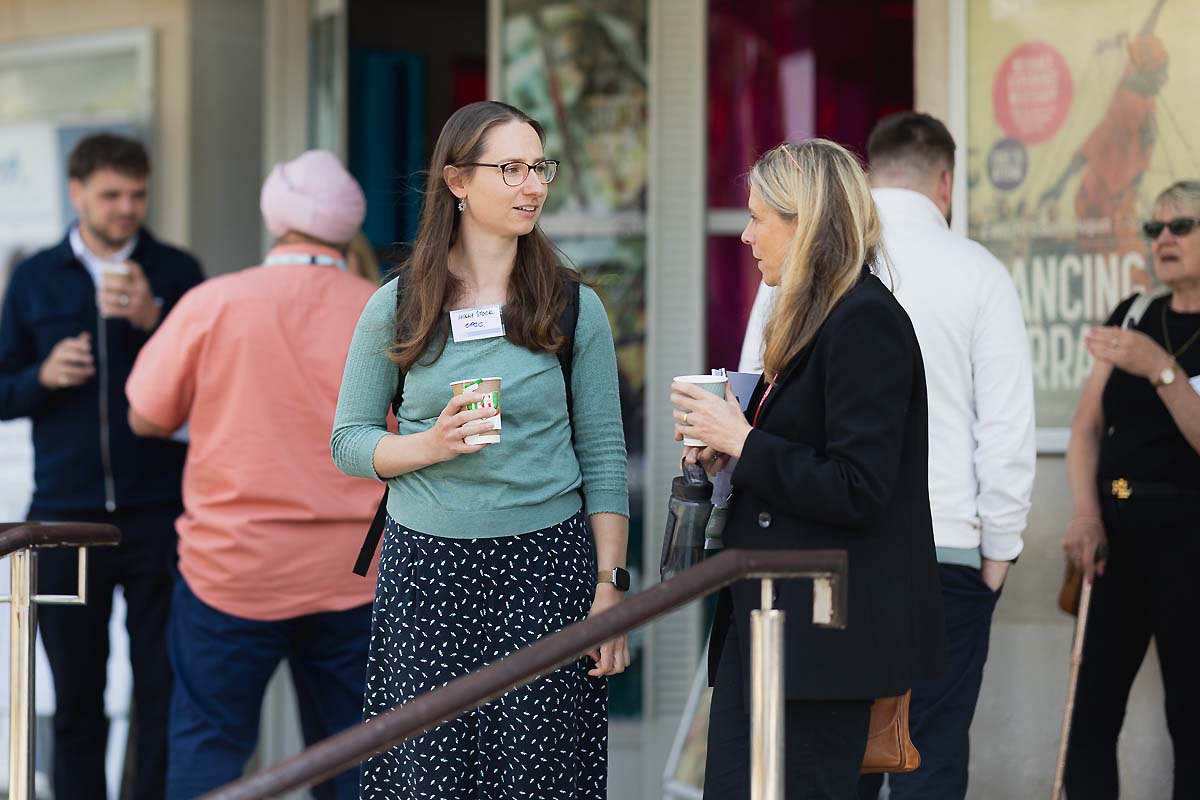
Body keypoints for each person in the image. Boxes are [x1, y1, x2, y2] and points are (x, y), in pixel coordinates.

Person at [331, 100, 630, 799]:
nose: (533, 185)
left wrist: (611, 587)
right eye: (511, 169)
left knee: (537, 778)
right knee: (428, 777)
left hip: (545, 571)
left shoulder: (573, 306)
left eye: (540, 167)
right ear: (458, 181)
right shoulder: (398, 303)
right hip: (427, 574)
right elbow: (349, 441)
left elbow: (604, 457)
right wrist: (428, 446)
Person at [674, 138, 947, 800]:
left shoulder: (864, 320)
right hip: (773, 629)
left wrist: (744, 441)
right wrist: (728, 452)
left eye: (758, 218)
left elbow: (860, 487)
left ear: (806, 223)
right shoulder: (812, 317)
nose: (745, 236)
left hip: (819, 641)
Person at [123, 150, 381, 799]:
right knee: (356, 753)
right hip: (356, 570)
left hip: (231, 569)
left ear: (277, 220)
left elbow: (145, 415)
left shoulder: (213, 303)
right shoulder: (384, 310)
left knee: (207, 750)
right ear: (347, 227)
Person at [0, 132, 203, 800]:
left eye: (137, 194)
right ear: (76, 192)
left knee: (161, 692)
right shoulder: (34, 276)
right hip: (64, 518)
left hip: (159, 514)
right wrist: (40, 377)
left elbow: (211, 384)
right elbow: (2, 390)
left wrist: (154, 319)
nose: (126, 208)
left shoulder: (176, 271)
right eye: (112, 194)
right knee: (77, 699)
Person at [855, 113, 1036, 800]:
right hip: (948, 549)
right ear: (946, 183)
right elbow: (1007, 428)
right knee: (929, 755)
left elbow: (757, 389)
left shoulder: (812, 261)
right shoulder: (980, 272)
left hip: (833, 549)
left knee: (835, 758)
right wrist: (999, 552)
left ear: (869, 173)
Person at [1062, 179, 1200, 799]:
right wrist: (1085, 515)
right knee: (1088, 715)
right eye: (1154, 228)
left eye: (1181, 226)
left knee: (1191, 721)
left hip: (1190, 542)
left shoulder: (1149, 344)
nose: (1164, 238)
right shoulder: (1135, 313)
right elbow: (1086, 427)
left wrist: (1161, 369)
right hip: (1115, 538)